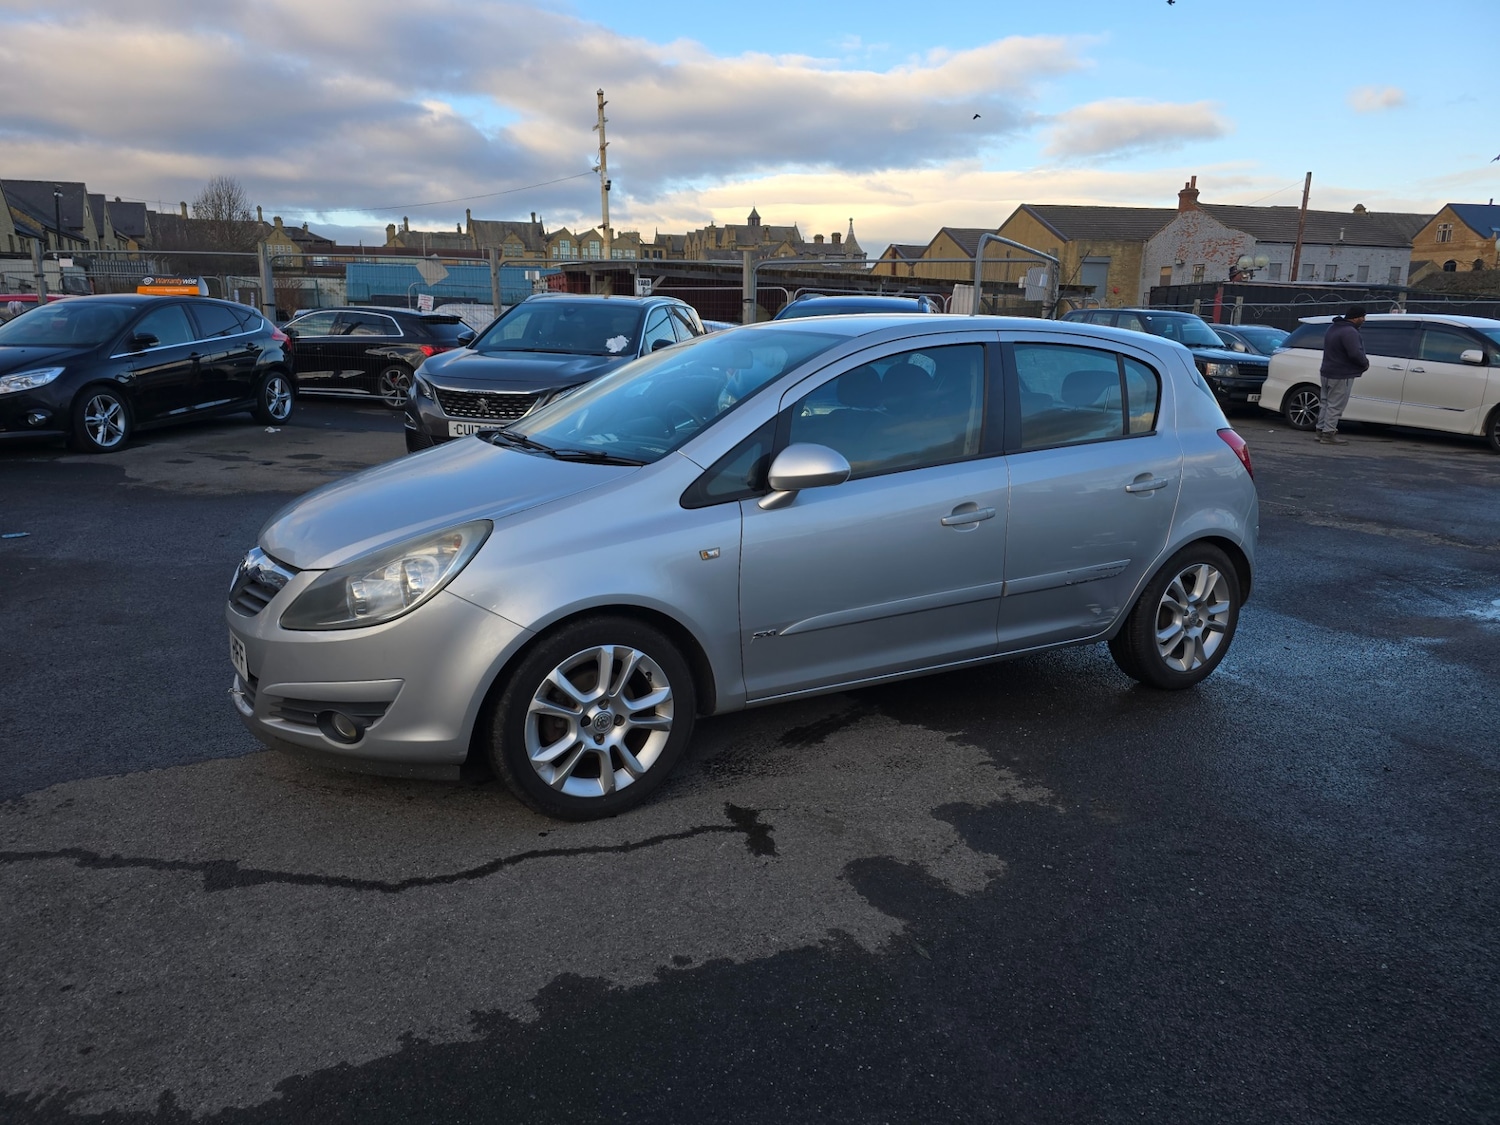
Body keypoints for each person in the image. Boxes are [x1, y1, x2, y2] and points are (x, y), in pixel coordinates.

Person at [1317, 305, 1369, 444]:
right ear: (1356, 317)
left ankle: (1320, 430)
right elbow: (1354, 353)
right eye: (1362, 317)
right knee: (1336, 404)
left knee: (1325, 402)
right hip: (1341, 373)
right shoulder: (1350, 332)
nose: (1363, 320)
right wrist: (1364, 363)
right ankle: (1329, 434)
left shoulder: (1333, 328)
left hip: (1327, 371)